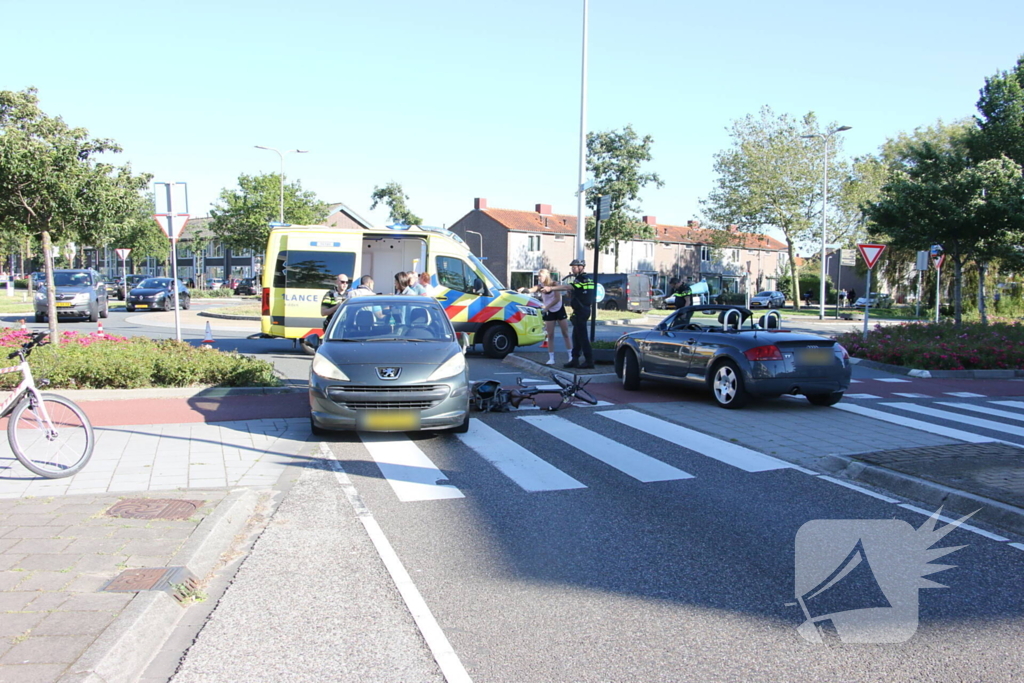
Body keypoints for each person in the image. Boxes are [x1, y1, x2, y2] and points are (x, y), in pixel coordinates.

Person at [542, 258, 595, 369]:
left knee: (583, 337)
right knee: (576, 336)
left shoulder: (581, 279)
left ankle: (589, 361)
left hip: (581, 311)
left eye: (574, 267)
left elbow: (567, 287)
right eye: (572, 267)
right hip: (580, 310)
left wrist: (551, 288)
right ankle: (574, 359)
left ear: (581, 267)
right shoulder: (588, 278)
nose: (572, 269)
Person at [525, 269, 572, 365]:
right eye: (538, 276)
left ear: (546, 276)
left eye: (540, 276)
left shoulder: (554, 284)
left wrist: (546, 307)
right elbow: (532, 289)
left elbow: (557, 298)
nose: (539, 278)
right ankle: (551, 358)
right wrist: (524, 290)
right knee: (550, 335)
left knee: (565, 333)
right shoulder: (540, 286)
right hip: (549, 311)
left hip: (558, 309)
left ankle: (571, 356)